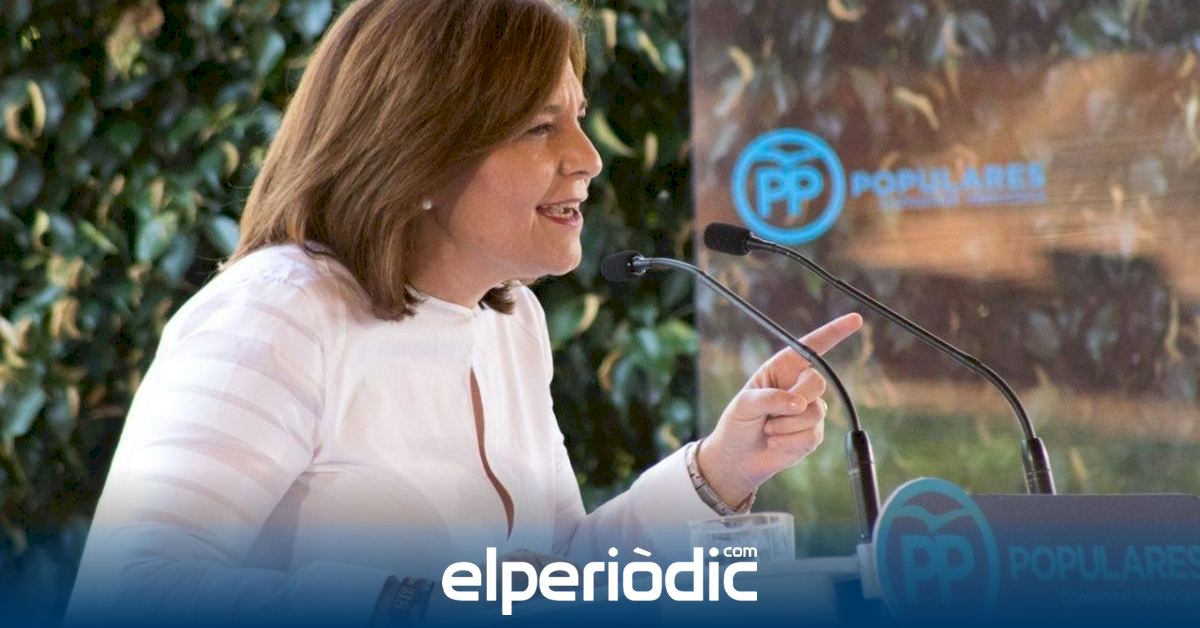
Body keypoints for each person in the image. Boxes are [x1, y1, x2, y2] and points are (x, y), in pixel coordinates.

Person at [66, 0, 862, 624]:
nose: (587, 158)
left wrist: (719, 470)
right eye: (540, 126)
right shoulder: (277, 314)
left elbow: (558, 578)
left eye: (578, 118)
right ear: (418, 154)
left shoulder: (511, 324)